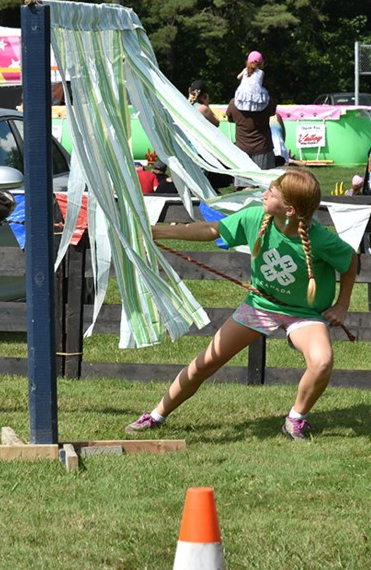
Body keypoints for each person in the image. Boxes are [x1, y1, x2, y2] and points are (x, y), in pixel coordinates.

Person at [125, 167, 357, 441]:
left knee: (322, 362)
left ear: (290, 210)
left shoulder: (320, 239)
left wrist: (342, 304)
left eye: (272, 192)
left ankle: (295, 419)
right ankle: (156, 415)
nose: (265, 193)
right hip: (260, 306)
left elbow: (350, 260)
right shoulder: (255, 216)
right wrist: (157, 232)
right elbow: (211, 229)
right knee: (205, 363)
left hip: (303, 314)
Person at [226, 93, 279, 189]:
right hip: (263, 149)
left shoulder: (233, 103)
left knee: (243, 188)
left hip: (241, 150)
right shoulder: (267, 101)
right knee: (265, 187)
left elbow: (230, 119)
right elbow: (273, 112)